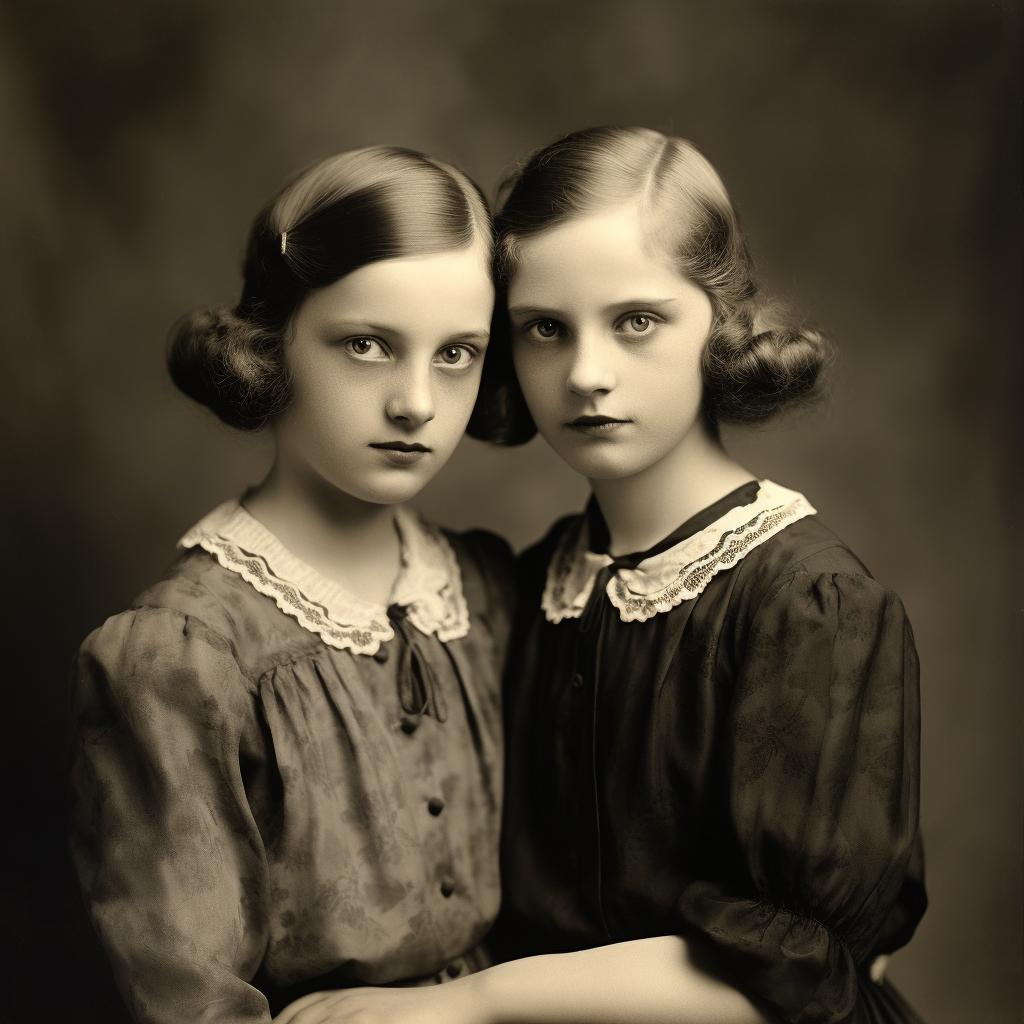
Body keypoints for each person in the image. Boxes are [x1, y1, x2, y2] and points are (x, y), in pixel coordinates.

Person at [69, 145, 520, 1024]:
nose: (417, 402)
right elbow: (190, 1001)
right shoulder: (181, 658)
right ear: (273, 340)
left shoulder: (481, 591)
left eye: (458, 353)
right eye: (366, 344)